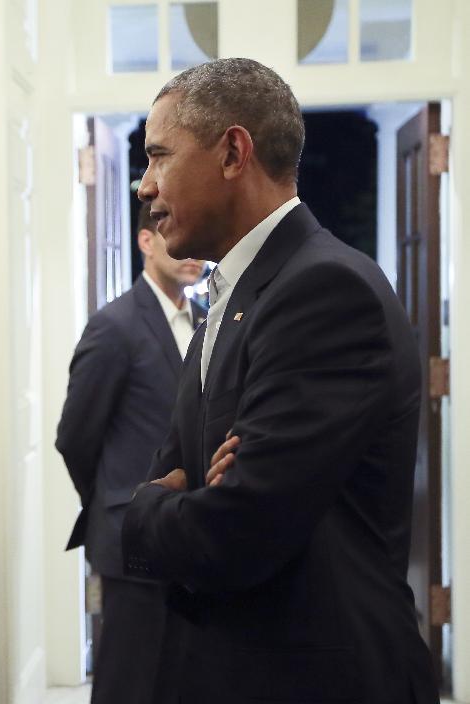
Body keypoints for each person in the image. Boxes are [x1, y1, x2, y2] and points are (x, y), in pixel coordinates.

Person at [122, 58, 438, 704]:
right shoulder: (233, 292)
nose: (144, 186)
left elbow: (233, 533)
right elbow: (177, 474)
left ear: (233, 152)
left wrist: (147, 510)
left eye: (158, 157)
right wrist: (180, 494)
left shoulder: (324, 290)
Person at [56, 201, 206, 704]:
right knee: (128, 681)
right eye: (169, 231)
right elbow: (75, 435)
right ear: (145, 241)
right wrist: (112, 499)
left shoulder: (208, 320)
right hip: (130, 537)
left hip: (194, 532)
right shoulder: (114, 325)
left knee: (184, 679)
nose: (190, 252)